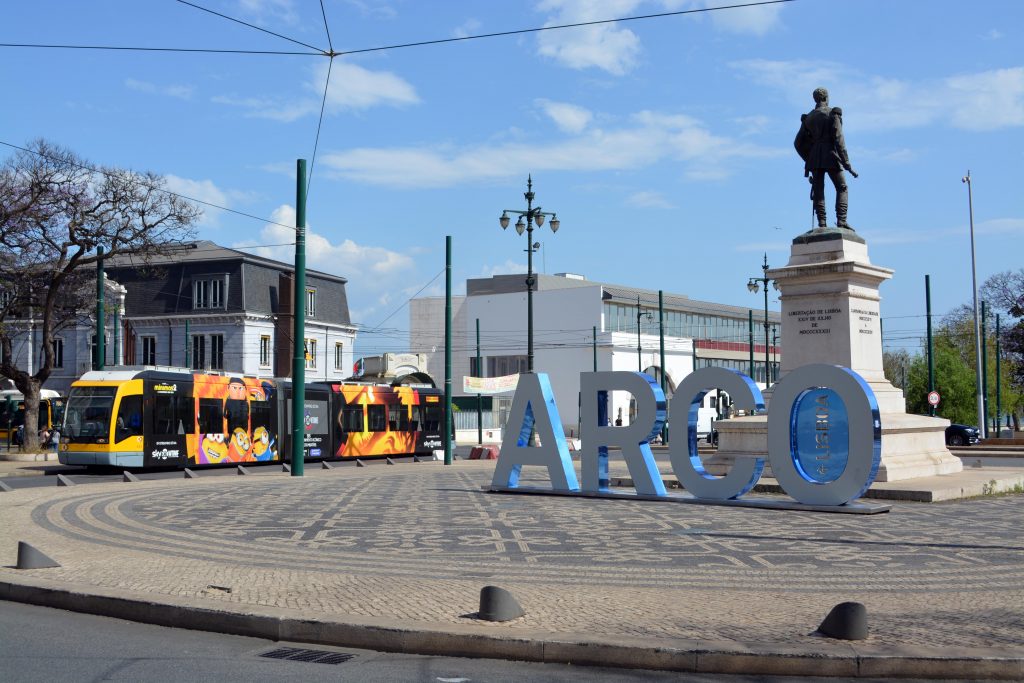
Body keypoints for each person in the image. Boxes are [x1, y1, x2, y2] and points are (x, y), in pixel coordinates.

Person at [794, 87, 858, 229]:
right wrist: (846, 163)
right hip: (831, 154)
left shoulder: (808, 118)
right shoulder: (832, 114)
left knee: (819, 190)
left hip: (815, 157)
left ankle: (822, 223)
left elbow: (797, 143)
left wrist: (808, 158)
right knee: (842, 187)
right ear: (826, 98)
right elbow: (838, 139)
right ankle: (841, 220)